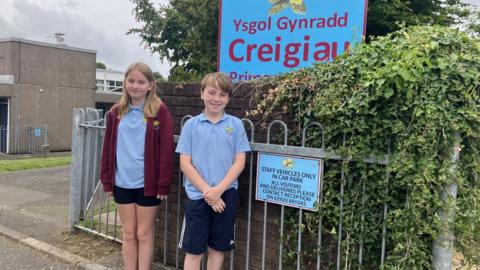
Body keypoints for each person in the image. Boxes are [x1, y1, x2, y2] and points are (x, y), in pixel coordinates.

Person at [99, 62, 174, 270]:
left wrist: (163, 184)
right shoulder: (115, 112)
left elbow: (166, 150)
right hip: (122, 181)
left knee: (143, 233)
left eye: (141, 82)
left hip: (147, 184)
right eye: (131, 81)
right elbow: (107, 149)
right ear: (125, 83)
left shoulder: (159, 112)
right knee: (128, 233)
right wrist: (107, 180)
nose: (135, 86)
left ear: (150, 85)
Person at [176, 72, 251, 270]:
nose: (216, 99)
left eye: (222, 94)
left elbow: (239, 162)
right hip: (197, 196)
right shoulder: (191, 126)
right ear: (202, 93)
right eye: (212, 92)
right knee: (194, 251)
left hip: (226, 195)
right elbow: (185, 164)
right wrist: (209, 193)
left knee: (218, 249)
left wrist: (218, 191)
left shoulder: (235, 125)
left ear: (228, 98)